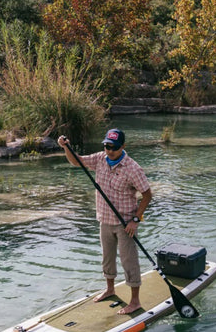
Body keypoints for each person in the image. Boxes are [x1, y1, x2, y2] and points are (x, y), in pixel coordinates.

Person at [58, 128, 152, 314]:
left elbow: (147, 195)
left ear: (123, 146)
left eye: (114, 148)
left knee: (129, 261)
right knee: (107, 258)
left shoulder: (133, 168)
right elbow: (78, 161)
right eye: (107, 146)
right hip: (104, 220)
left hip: (126, 224)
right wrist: (65, 147)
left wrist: (136, 219)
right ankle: (110, 290)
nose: (109, 150)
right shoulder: (100, 158)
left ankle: (135, 301)